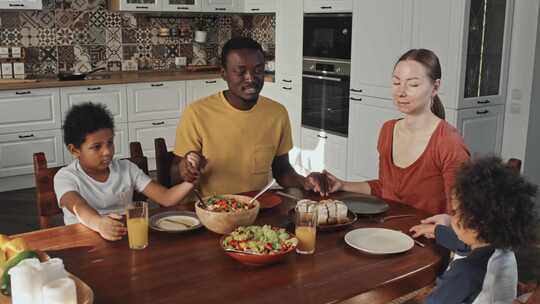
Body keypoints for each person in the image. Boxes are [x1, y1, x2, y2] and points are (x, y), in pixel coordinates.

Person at [317, 49, 469, 214]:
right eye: (396, 83)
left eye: (413, 85)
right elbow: (385, 187)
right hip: (390, 231)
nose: (401, 92)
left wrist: (446, 223)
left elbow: (461, 213)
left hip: (427, 237)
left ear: (435, 87)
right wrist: (343, 184)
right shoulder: (388, 130)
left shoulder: (448, 141)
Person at [173, 37, 316, 196]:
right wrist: (184, 169)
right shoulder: (197, 114)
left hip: (259, 208)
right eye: (240, 71)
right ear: (223, 73)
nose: (250, 78)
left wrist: (307, 182)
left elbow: (282, 170)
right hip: (213, 211)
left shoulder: (277, 113)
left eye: (258, 70)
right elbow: (173, 177)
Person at [54, 102, 201, 241]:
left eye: (110, 143)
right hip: (84, 242)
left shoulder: (126, 169)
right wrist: (99, 224)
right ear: (74, 150)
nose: (107, 152)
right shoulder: (66, 177)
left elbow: (166, 197)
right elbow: (78, 206)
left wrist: (191, 180)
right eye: (97, 147)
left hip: (126, 239)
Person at [410, 156, 538, 304]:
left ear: (476, 225)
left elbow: (434, 301)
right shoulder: (502, 250)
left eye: (455, 211)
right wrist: (438, 231)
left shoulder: (465, 272)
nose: (452, 216)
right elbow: (468, 245)